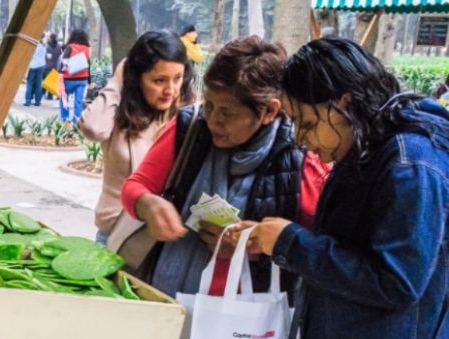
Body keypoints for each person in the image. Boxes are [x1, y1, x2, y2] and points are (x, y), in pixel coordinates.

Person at [229, 37, 449, 339]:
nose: (303, 140)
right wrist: (282, 239)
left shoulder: (410, 161)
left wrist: (292, 244)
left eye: (307, 122)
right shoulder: (371, 148)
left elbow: (398, 279)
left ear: (345, 103)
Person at [121, 36, 330, 298]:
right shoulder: (190, 128)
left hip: (249, 319)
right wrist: (147, 204)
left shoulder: (300, 155)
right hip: (171, 298)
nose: (213, 120)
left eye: (228, 113)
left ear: (269, 112)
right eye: (209, 104)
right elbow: (134, 187)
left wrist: (259, 246)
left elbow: (316, 249)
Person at [79, 30, 192, 245]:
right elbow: (92, 129)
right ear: (137, 78)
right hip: (114, 235)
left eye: (177, 78)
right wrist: (118, 80)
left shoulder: (184, 117)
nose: (170, 90)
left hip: (161, 242)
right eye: (159, 80)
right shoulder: (119, 112)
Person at [59, 29, 92, 124]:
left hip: (69, 78)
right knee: (78, 101)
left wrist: (63, 70)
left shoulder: (70, 47)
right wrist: (89, 81)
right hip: (83, 79)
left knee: (64, 99)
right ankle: (77, 122)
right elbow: (88, 64)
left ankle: (64, 120)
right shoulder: (87, 48)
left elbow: (63, 62)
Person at [25, 38, 48, 106]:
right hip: (41, 66)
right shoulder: (44, 45)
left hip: (32, 66)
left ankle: (28, 101)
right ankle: (37, 101)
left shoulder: (32, 45)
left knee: (29, 83)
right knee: (38, 84)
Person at [44, 32, 63, 101]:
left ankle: (45, 94)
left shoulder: (48, 47)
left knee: (46, 79)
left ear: (51, 38)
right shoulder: (59, 46)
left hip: (48, 65)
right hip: (56, 65)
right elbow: (61, 53)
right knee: (51, 81)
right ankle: (50, 95)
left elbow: (48, 57)